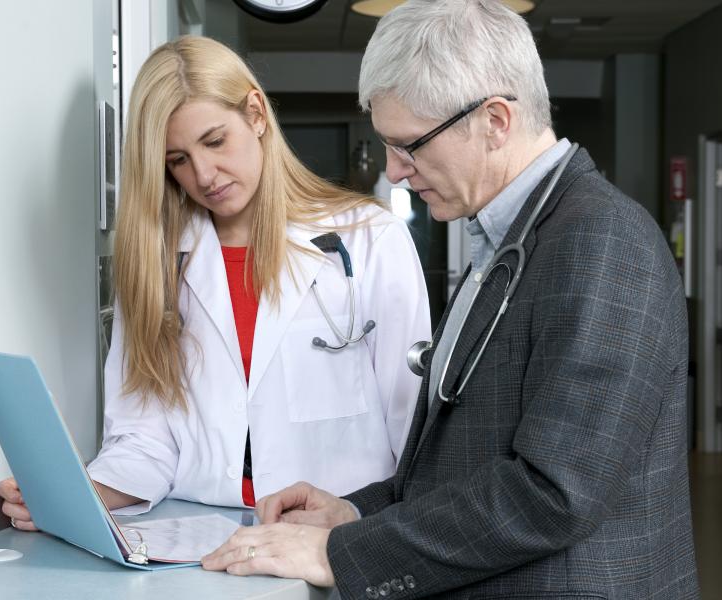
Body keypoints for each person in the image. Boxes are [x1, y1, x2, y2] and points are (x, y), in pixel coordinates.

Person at [202, 1, 699, 598]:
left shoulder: (603, 242)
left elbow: (552, 493)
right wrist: (356, 513)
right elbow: (463, 457)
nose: (394, 172)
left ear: (494, 120)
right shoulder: (507, 242)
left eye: (408, 145)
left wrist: (341, 552)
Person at [0, 35, 431, 528]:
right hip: (199, 535)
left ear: (256, 114)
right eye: (177, 159)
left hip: (340, 538)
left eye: (214, 141)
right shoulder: (157, 263)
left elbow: (414, 427)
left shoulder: (370, 239)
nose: (203, 175)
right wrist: (77, 495)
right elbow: (143, 437)